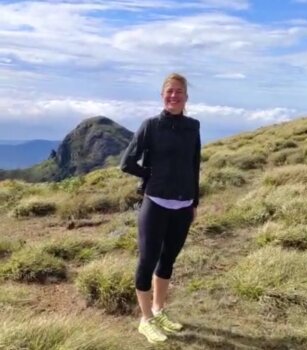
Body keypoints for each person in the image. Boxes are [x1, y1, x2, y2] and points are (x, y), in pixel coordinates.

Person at [120, 73, 201, 344]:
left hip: (183, 205)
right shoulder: (151, 126)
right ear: (162, 95)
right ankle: (146, 320)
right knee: (147, 261)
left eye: (179, 92)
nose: (174, 96)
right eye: (169, 92)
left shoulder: (193, 127)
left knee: (168, 261)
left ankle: (159, 310)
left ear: (186, 97)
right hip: (155, 203)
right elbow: (126, 162)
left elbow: (194, 166)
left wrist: (194, 202)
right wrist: (150, 175)